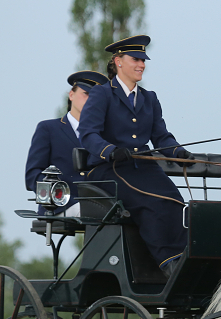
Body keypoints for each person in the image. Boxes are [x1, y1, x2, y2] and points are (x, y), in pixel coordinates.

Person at [78, 34, 192, 277]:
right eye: (136, 59)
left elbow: (161, 137)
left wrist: (178, 152)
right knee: (150, 202)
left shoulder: (150, 99)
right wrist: (110, 151)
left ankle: (185, 258)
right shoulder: (101, 94)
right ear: (118, 61)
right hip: (109, 169)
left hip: (143, 167)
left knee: (176, 202)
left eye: (144, 60)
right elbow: (87, 134)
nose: (142, 65)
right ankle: (168, 262)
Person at [25, 71, 108, 216]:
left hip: (98, 203)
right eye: (85, 94)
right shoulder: (48, 129)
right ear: (71, 95)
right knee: (99, 214)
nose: (90, 101)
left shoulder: (105, 136)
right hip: (59, 206)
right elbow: (32, 175)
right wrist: (58, 197)